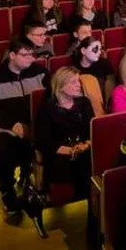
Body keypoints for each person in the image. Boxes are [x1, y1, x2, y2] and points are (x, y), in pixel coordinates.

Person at [0, 37, 49, 214]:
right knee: (3, 147)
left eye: (32, 55)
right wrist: (12, 125)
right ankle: (8, 193)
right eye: (25, 55)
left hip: (35, 125)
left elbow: (51, 98)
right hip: (10, 129)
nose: (31, 59)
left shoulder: (40, 73)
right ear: (12, 55)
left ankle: (40, 187)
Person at [35, 67, 94, 210]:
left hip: (84, 149)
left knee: (90, 160)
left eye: (78, 81)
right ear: (60, 87)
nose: (78, 85)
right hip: (59, 156)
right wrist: (69, 150)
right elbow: (43, 142)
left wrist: (85, 145)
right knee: (79, 165)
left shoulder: (84, 103)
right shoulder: (47, 109)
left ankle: (95, 210)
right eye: (73, 82)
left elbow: (92, 130)